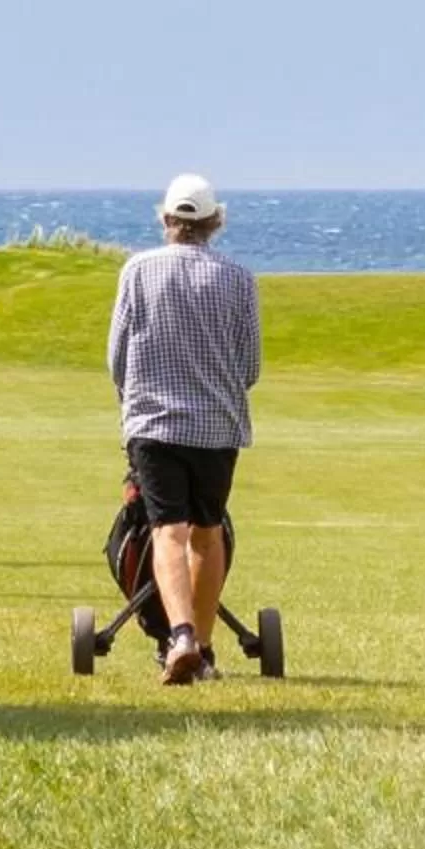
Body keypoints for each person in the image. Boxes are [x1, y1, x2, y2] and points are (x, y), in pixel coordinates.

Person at [107, 174, 261, 685]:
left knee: (166, 531)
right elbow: (250, 366)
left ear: (167, 220)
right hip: (217, 428)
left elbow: (117, 357)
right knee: (207, 532)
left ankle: (181, 639)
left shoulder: (137, 270)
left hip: (153, 424)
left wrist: (130, 402)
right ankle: (206, 649)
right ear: (214, 222)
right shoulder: (240, 279)